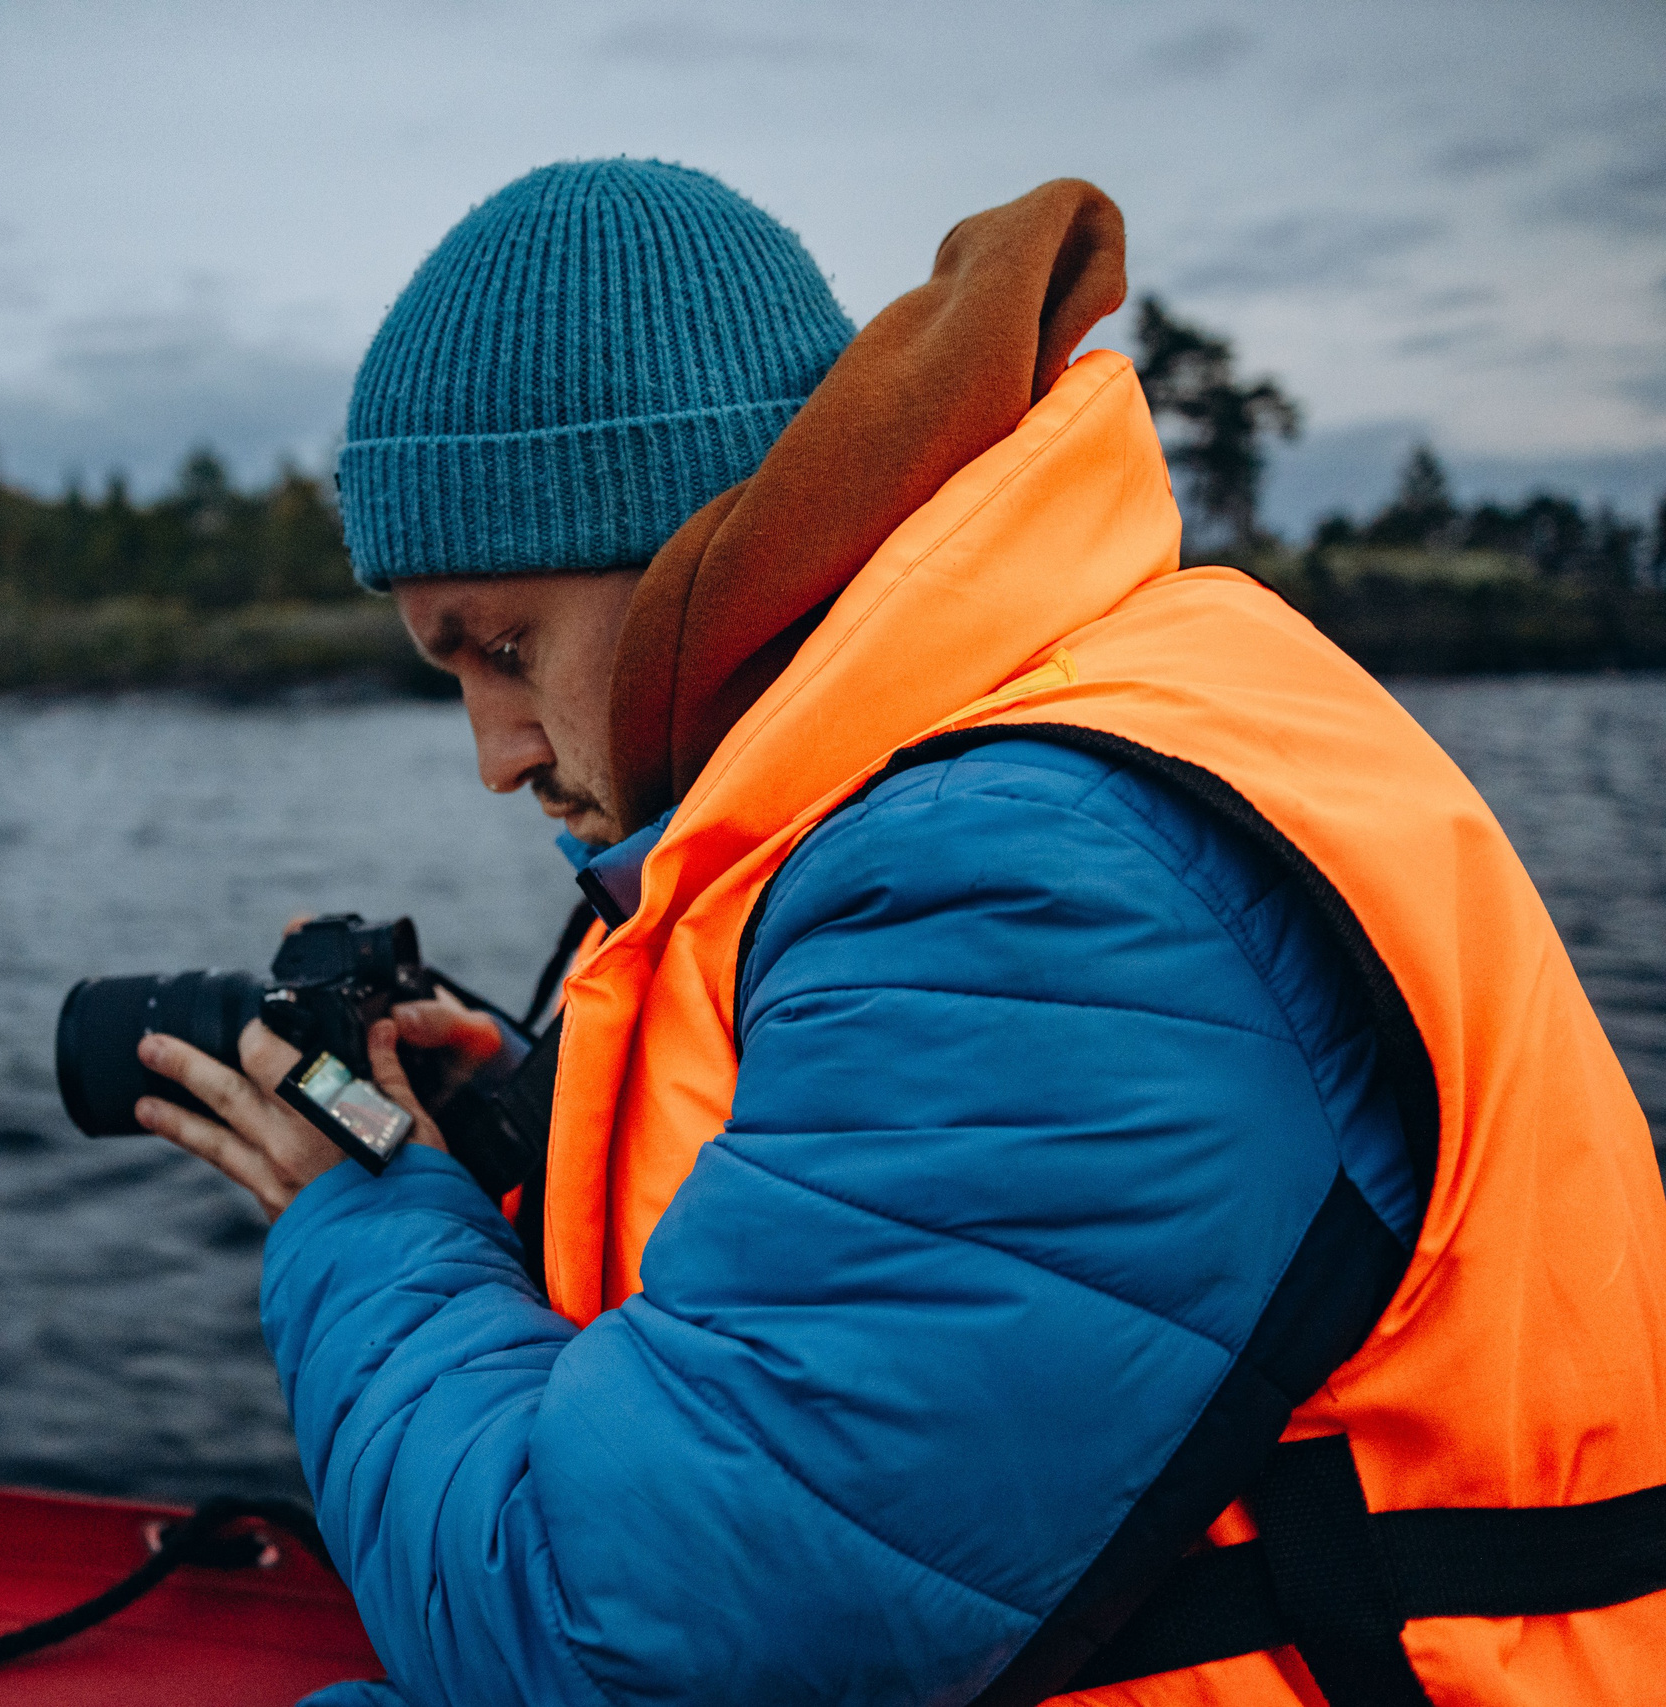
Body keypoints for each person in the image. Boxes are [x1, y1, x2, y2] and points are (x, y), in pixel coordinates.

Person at [134, 160, 1666, 1705]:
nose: (495, 753)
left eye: (509, 649)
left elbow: (605, 1652)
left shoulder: (1037, 886)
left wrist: (365, 1217)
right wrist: (511, 1128)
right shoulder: (1020, 758)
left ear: (684, 543)